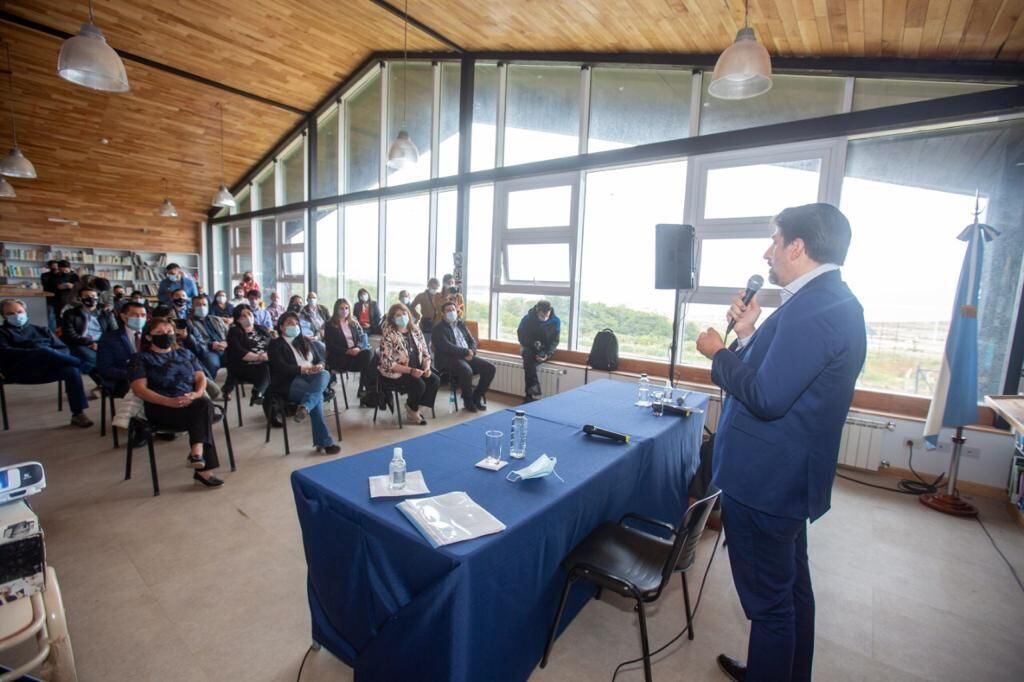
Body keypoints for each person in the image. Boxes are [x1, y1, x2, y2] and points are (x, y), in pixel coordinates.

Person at [694, 204, 866, 682]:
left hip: (765, 482)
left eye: (774, 240)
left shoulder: (815, 308)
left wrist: (720, 352)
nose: (766, 252)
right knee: (791, 591)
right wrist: (748, 333)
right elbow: (782, 378)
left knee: (770, 606)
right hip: (788, 475)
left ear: (797, 247)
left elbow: (767, 397)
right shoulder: (831, 301)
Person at [129, 317, 224, 488]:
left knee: (202, 404)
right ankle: (201, 466)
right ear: (149, 337)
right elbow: (139, 389)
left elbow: (200, 377)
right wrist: (168, 401)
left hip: (190, 404)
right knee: (203, 414)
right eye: (159, 333)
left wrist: (196, 394)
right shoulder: (141, 358)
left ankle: (197, 454)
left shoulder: (185, 353)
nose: (165, 335)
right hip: (161, 408)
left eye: (169, 332)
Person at [0, 299, 92, 427]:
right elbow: (5, 353)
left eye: (19, 311)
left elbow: (63, 349)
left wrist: (47, 352)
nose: (16, 315)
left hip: (47, 368)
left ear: (25, 312)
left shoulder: (42, 330)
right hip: (20, 370)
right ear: (3, 316)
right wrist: (35, 351)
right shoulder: (2, 333)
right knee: (44, 350)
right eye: (10, 314)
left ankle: (78, 414)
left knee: (72, 371)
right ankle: (86, 366)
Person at [268, 312, 340, 454]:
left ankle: (306, 407)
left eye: (296, 323)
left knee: (324, 373)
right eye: (289, 323)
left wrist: (319, 365)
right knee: (317, 397)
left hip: (314, 377)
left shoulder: (305, 341)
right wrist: (304, 369)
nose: (294, 326)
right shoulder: (275, 345)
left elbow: (321, 359)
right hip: (290, 381)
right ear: (281, 327)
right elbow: (280, 368)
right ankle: (324, 441)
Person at [378, 303, 438, 425]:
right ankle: (413, 409)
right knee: (419, 385)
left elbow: (426, 353)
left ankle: (413, 407)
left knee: (434, 380)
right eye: (398, 315)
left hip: (417, 367)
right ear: (392, 318)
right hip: (397, 372)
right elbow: (387, 362)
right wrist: (410, 371)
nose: (402, 317)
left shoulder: (415, 330)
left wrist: (426, 367)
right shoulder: (389, 334)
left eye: (404, 314)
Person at [432, 300, 494, 412]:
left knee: (490, 368)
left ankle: (476, 396)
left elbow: (472, 341)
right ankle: (468, 401)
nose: (451, 312)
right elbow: (446, 346)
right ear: (443, 313)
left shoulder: (461, 324)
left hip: (466, 356)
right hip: (448, 359)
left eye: (453, 310)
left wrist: (472, 352)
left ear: (457, 311)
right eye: (448, 310)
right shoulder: (438, 329)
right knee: (466, 370)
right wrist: (466, 352)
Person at [224, 305, 277, 425]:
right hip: (244, 366)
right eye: (243, 315)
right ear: (237, 319)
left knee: (272, 372)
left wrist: (268, 354)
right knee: (268, 370)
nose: (248, 317)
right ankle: (259, 394)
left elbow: (273, 345)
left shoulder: (260, 329)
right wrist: (259, 357)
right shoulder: (235, 331)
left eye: (249, 314)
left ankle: (263, 398)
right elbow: (239, 352)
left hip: (264, 364)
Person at [324, 298, 374, 402]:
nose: (344, 310)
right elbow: (330, 345)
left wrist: (358, 348)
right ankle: (367, 391)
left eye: (346, 308)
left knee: (368, 355)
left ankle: (363, 388)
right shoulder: (330, 324)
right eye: (341, 308)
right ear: (336, 309)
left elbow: (361, 338)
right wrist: (347, 351)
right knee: (368, 364)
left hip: (355, 354)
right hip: (340, 357)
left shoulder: (353, 323)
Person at [60, 286, 117, 376]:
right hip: (80, 342)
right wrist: (89, 342)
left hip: (102, 342)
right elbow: (69, 334)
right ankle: (104, 384)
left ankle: (105, 384)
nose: (91, 298)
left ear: (98, 298)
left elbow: (114, 333)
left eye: (93, 296)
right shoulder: (70, 314)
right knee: (92, 358)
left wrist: (101, 345)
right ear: (80, 298)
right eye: (86, 296)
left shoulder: (107, 314)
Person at [96, 300, 148, 397]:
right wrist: (133, 375)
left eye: (143, 315)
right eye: (135, 315)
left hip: (150, 378)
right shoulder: (109, 339)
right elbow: (105, 368)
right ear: (124, 317)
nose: (140, 318)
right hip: (123, 380)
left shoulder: (152, 335)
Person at [516, 300, 561, 401]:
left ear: (550, 311)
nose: (544, 317)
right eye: (542, 315)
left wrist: (547, 354)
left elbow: (555, 341)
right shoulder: (527, 319)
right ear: (537, 311)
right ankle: (531, 393)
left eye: (546, 315)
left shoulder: (555, 321)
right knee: (528, 358)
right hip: (529, 346)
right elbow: (521, 336)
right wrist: (532, 344)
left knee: (528, 365)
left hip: (545, 349)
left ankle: (529, 395)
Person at [184, 295, 227, 379]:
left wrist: (226, 342)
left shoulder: (216, 319)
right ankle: (210, 388)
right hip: (207, 350)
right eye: (198, 305)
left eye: (204, 304)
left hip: (224, 347)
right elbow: (193, 341)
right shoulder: (189, 322)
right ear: (192, 307)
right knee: (212, 363)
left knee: (239, 358)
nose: (201, 307)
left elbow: (228, 334)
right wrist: (211, 345)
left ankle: (229, 386)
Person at [40, 260, 60, 331]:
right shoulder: (45, 275)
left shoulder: (62, 275)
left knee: (60, 316)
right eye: (53, 266)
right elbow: (46, 285)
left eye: (56, 266)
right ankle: (52, 332)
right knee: (50, 316)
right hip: (50, 298)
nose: (55, 267)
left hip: (61, 298)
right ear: (49, 267)